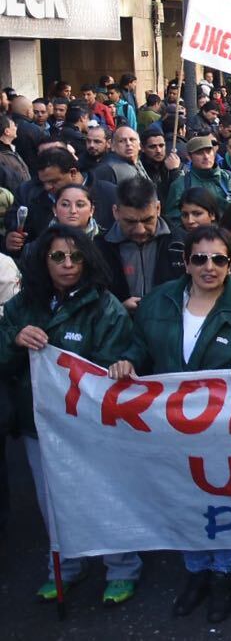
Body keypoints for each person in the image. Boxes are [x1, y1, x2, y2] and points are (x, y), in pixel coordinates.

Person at [106, 225, 231, 624]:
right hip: (171, 430)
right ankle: (195, 571)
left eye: (219, 259)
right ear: (186, 262)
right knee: (183, 498)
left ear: (229, 264)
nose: (209, 267)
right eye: (199, 258)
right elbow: (140, 347)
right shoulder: (157, 303)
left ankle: (223, 573)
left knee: (222, 500)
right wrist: (128, 361)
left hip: (223, 431)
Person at [0, 225, 139, 604]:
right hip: (38, 424)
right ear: (43, 261)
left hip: (90, 425)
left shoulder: (104, 305)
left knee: (105, 493)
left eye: (75, 257)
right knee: (52, 501)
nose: (67, 264)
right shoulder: (23, 304)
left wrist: (122, 363)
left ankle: (122, 566)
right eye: (57, 257)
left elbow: (124, 351)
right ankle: (63, 567)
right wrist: (13, 341)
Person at [96, 176, 186, 310]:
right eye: (130, 222)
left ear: (158, 208)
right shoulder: (99, 248)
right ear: (115, 212)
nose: (140, 230)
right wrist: (119, 309)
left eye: (147, 220)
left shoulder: (182, 243)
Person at [163, 136, 231, 221]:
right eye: (200, 153)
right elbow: (173, 220)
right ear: (189, 157)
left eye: (209, 152)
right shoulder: (180, 185)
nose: (206, 157)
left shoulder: (229, 178)